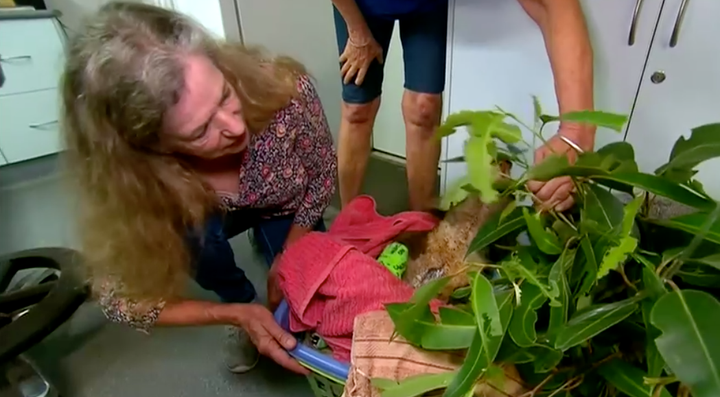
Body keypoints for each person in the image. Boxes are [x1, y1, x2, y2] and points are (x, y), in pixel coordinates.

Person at [61, 2, 336, 375]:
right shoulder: (140, 183)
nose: (235, 128)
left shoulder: (283, 92)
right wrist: (232, 312)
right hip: (199, 212)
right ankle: (240, 303)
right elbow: (119, 299)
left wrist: (292, 250)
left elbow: (321, 174)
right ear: (152, 148)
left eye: (224, 94)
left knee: (309, 276)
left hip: (282, 201)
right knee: (196, 243)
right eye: (199, 131)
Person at [332, 0, 594, 213]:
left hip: (424, 8)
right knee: (358, 109)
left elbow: (553, 5)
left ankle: (420, 225)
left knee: (424, 108)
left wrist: (574, 134)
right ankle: (346, 224)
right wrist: (356, 32)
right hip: (361, 7)